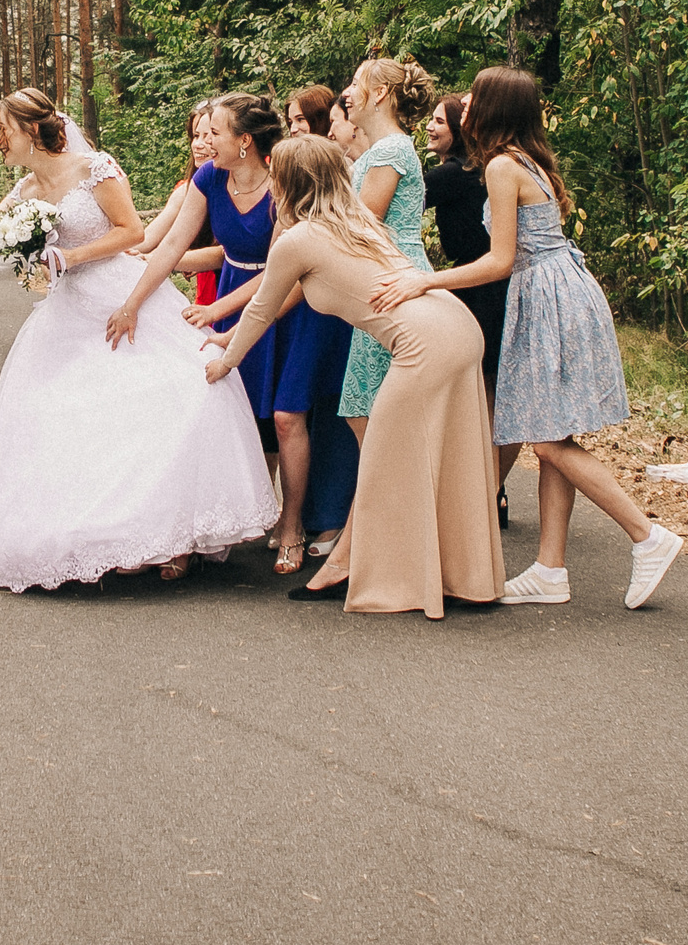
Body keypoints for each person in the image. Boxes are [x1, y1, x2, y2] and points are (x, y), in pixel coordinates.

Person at [0, 87, 277, 591]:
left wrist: (72, 258)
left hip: (121, 299)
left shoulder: (95, 168)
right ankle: (94, 536)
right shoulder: (27, 193)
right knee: (68, 422)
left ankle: (173, 537)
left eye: (2, 129)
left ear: (28, 130)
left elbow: (132, 232)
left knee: (165, 401)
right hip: (66, 313)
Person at [369, 67, 683, 610]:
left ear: (492, 111)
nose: (463, 108)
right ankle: (549, 569)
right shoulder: (528, 159)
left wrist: (426, 278)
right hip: (562, 288)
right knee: (554, 432)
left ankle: (646, 536)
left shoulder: (500, 167)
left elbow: (500, 260)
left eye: (471, 101)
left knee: (546, 439)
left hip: (546, 295)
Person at [201, 134, 502, 617]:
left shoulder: (299, 239)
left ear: (287, 183)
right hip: (456, 327)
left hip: (424, 343)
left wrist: (226, 361)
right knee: (434, 454)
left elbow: (262, 308)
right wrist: (227, 338)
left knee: (384, 459)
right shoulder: (358, 223)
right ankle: (446, 574)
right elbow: (279, 301)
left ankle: (361, 570)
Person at [141, 93, 313, 575]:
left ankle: (292, 523)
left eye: (214, 132)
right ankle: (207, 526)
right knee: (219, 411)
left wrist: (217, 308)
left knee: (284, 418)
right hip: (232, 292)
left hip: (284, 301)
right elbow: (174, 241)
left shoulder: (285, 183)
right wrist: (133, 299)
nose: (204, 140)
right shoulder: (208, 177)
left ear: (245, 141)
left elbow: (280, 270)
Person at [263, 84, 359, 554]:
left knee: (329, 412)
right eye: (291, 121)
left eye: (303, 119)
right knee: (291, 414)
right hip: (291, 314)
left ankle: (324, 519)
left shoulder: (342, 182)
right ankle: (294, 517)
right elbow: (274, 266)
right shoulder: (286, 191)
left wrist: (252, 320)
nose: (295, 127)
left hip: (328, 312)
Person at [336, 57, 438, 443]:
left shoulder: (390, 151)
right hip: (380, 275)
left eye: (356, 81)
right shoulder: (380, 150)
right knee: (364, 410)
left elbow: (363, 224)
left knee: (372, 411)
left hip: (394, 275)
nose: (347, 92)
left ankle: (392, 494)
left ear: (379, 93)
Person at [424, 94, 515, 526]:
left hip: (481, 284)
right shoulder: (472, 170)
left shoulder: (453, 174)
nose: (431, 127)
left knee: (486, 390)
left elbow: (400, 198)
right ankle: (490, 489)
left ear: (459, 127)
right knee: (493, 388)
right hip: (484, 283)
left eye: (440, 121)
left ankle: (486, 489)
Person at [133, 101, 224, 307]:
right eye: (195, 136)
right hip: (209, 292)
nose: (197, 144)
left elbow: (223, 253)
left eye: (207, 135)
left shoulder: (241, 186)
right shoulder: (186, 189)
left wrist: (177, 258)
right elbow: (148, 238)